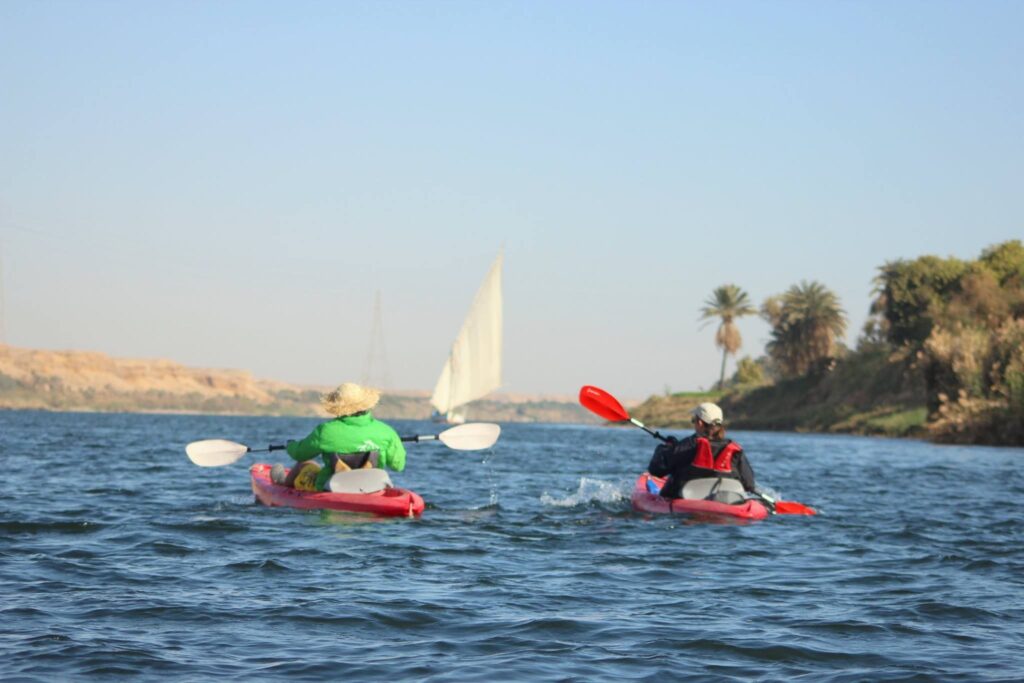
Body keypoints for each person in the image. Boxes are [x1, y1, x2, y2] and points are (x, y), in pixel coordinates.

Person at [270, 383, 407, 492]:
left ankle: (283, 484)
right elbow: (398, 466)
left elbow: (299, 454)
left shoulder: (326, 431)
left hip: (331, 489)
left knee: (304, 464)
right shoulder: (386, 432)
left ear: (338, 407)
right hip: (374, 488)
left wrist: (291, 445)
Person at [646, 402, 756, 499]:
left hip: (684, 502)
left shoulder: (688, 445)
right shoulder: (735, 450)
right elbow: (749, 485)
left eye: (694, 420)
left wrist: (666, 448)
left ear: (700, 423)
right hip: (724, 502)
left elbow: (656, 470)